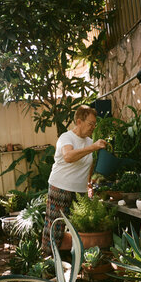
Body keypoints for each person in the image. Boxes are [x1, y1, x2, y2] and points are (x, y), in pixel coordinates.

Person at [42, 105, 106, 255]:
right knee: (55, 227)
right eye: (90, 124)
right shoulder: (66, 138)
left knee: (80, 227)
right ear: (79, 121)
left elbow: (88, 164)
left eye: (94, 124)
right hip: (60, 187)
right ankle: (47, 261)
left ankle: (75, 260)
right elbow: (68, 156)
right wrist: (93, 147)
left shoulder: (90, 141)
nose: (93, 127)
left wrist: (89, 182)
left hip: (80, 191)